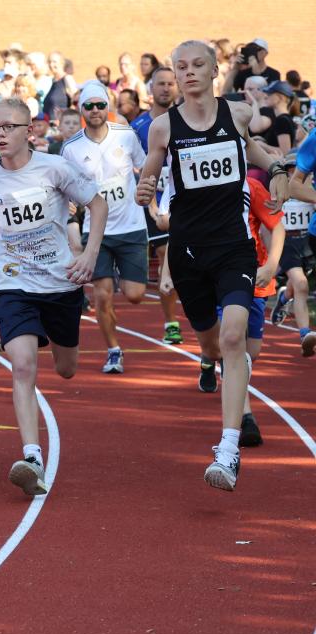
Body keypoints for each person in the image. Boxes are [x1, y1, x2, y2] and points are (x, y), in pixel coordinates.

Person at [135, 40, 291, 492]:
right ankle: (210, 361)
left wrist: (276, 168)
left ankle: (228, 448)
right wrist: (144, 191)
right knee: (211, 345)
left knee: (233, 334)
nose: (188, 73)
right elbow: (149, 173)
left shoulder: (237, 113)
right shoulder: (163, 128)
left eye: (197, 64)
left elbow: (253, 151)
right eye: (179, 67)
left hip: (233, 247)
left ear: (213, 69)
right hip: (187, 252)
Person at [0, 97, 108, 497]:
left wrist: (88, 255)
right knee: (23, 364)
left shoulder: (56, 167)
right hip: (13, 282)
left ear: (28, 131)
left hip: (61, 281)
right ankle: (32, 457)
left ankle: (58, 342)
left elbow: (97, 206)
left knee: (66, 369)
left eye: (7, 127)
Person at [160, 175, 284, 446]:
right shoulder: (194, 182)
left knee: (251, 353)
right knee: (231, 344)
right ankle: (245, 418)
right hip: (215, 277)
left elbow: (277, 225)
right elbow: (177, 232)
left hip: (253, 276)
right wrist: (167, 271)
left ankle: (209, 358)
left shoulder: (251, 187)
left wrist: (271, 266)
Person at [61, 82, 148, 374]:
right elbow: (63, 184)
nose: (95, 110)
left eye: (100, 105)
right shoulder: (71, 148)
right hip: (96, 230)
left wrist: (154, 201)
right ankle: (113, 350)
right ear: (81, 109)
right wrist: (69, 206)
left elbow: (146, 166)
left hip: (132, 225)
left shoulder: (126, 135)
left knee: (135, 294)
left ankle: (123, 275)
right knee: (102, 294)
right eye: (89, 106)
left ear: (107, 107)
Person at [131, 67, 185, 344]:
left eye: (170, 84)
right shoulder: (138, 127)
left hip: (185, 198)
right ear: (151, 89)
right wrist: (151, 201)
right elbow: (133, 167)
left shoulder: (186, 119)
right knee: (165, 254)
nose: (166, 88)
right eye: (161, 84)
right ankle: (171, 321)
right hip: (152, 201)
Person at [275, 135, 316, 356]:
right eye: (288, 168)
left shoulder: (308, 187)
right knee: (300, 285)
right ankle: (304, 333)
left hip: (306, 242)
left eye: (294, 168)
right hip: (288, 243)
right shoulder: (280, 190)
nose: (292, 171)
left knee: (295, 287)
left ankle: (283, 298)